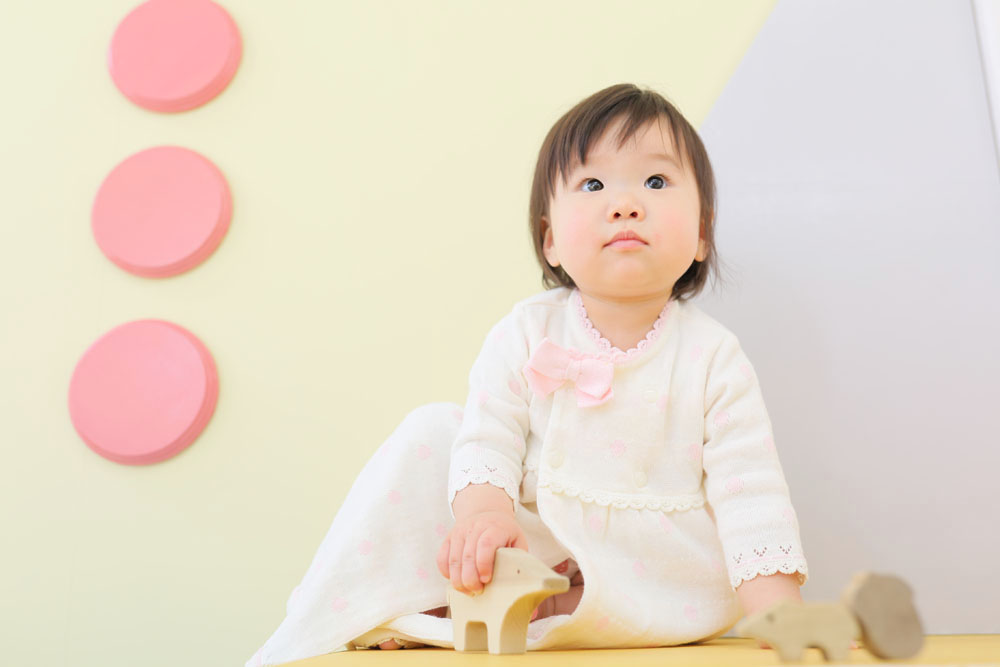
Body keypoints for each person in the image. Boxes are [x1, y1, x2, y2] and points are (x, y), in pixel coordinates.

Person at [246, 83, 808, 666]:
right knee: (434, 430)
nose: (625, 205)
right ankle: (402, 597)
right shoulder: (526, 332)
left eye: (656, 181)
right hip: (534, 543)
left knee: (715, 541)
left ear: (701, 235)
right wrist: (486, 515)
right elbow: (488, 435)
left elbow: (750, 489)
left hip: (657, 567)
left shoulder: (713, 356)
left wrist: (779, 612)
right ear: (551, 240)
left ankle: (556, 604)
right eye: (593, 185)